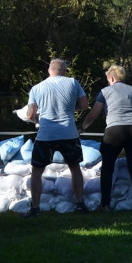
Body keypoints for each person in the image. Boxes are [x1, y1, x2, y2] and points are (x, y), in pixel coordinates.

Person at [80, 65, 132, 213]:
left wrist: (83, 127)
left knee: (107, 168)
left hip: (114, 130)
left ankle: (105, 204)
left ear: (111, 78)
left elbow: (93, 114)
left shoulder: (105, 91)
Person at [24, 58, 89, 217]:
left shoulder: (37, 88)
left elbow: (30, 114)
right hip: (69, 133)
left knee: (37, 170)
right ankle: (80, 204)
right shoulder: (73, 83)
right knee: (75, 168)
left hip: (46, 134)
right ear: (65, 71)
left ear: (49, 71)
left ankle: (35, 208)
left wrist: (36, 120)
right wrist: (71, 108)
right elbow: (84, 105)